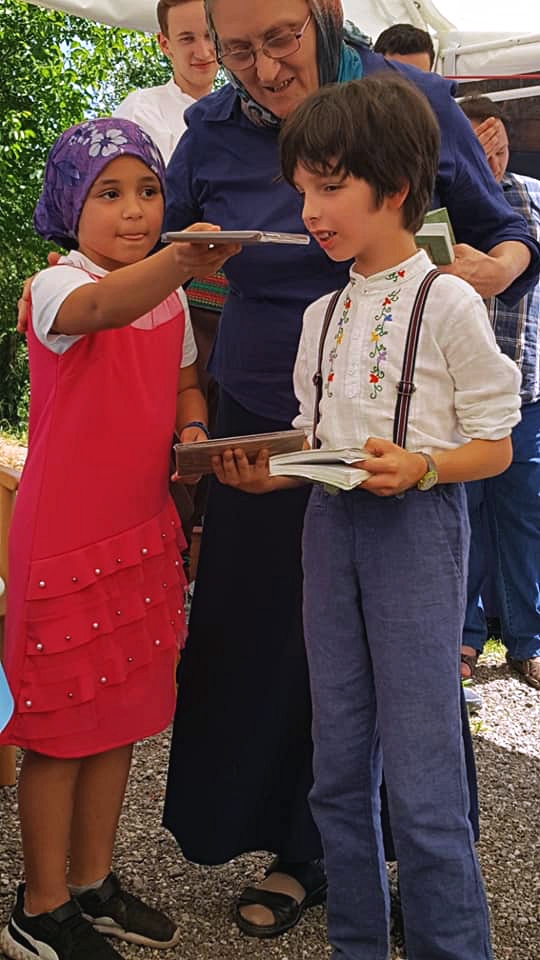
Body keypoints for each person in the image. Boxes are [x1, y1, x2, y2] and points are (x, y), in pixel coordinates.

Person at [161, 0, 540, 939]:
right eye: (236, 49)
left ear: (324, 12)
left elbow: (508, 243)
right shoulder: (217, 138)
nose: (262, 67)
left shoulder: (410, 110)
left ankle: (433, 882)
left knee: (415, 716)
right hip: (293, 445)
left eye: (280, 39)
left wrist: (488, 274)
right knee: (302, 685)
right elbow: (153, 250)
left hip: (413, 473)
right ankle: (320, 874)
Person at [0, 117, 238, 960]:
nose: (135, 210)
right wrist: (181, 258)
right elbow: (103, 308)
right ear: (71, 203)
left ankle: (94, 881)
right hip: (64, 545)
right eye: (110, 193)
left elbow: (184, 384)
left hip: (141, 535)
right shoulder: (56, 285)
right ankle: (39, 906)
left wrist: (195, 432)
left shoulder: (168, 297)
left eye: (148, 191)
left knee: (120, 718)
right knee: (58, 736)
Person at [115, 0, 227, 548]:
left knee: (220, 429)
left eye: (209, 37)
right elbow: (120, 210)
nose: (202, 51)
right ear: (163, 44)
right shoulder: (142, 111)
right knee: (166, 421)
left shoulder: (245, 106)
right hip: (168, 291)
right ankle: (159, 546)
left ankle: (200, 554)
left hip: (235, 299)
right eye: (186, 39)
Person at [459, 96, 540, 689]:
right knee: (460, 515)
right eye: (476, 146)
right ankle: (461, 635)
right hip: (458, 398)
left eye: (498, 145)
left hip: (526, 387)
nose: (491, 158)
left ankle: (527, 639)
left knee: (524, 518)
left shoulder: (533, 196)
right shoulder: (441, 205)